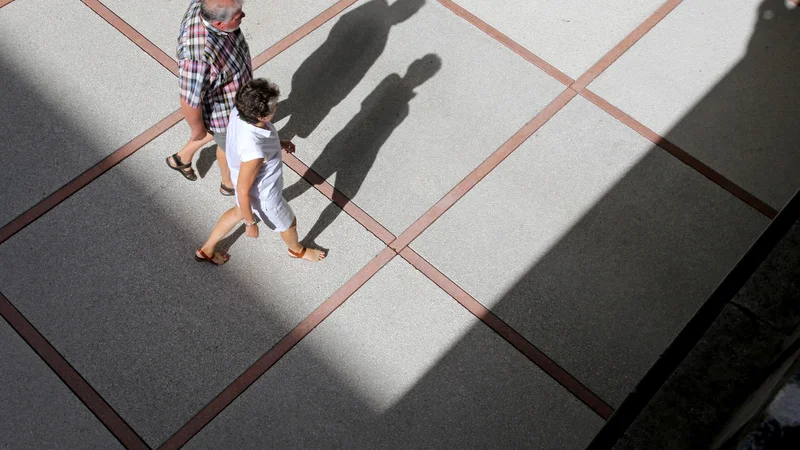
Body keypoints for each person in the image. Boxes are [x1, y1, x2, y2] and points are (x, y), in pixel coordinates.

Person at [195, 79, 327, 265]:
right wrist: (251, 224)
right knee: (289, 223)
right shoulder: (254, 151)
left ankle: (206, 249)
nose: (278, 106)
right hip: (265, 196)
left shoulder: (239, 113)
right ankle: (296, 250)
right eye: (274, 106)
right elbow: (242, 189)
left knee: (237, 212)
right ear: (262, 117)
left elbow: (259, 139)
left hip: (240, 174)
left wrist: (278, 143)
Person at [167, 0, 251, 196]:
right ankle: (228, 183)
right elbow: (189, 100)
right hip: (224, 109)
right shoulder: (198, 57)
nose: (244, 16)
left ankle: (182, 158)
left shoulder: (206, 6)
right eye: (238, 16)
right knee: (230, 144)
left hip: (232, 95)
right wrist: (197, 130)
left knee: (217, 133)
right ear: (220, 24)